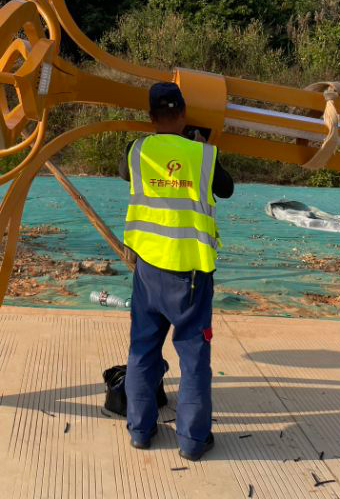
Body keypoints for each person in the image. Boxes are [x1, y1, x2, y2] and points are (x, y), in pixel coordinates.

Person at [118, 81, 234, 458]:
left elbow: (125, 172)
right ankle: (192, 441)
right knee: (193, 356)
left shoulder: (136, 151)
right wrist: (196, 144)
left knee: (143, 349)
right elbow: (227, 188)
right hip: (191, 276)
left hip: (148, 269)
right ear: (184, 113)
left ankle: (140, 431)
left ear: (150, 117)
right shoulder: (203, 154)